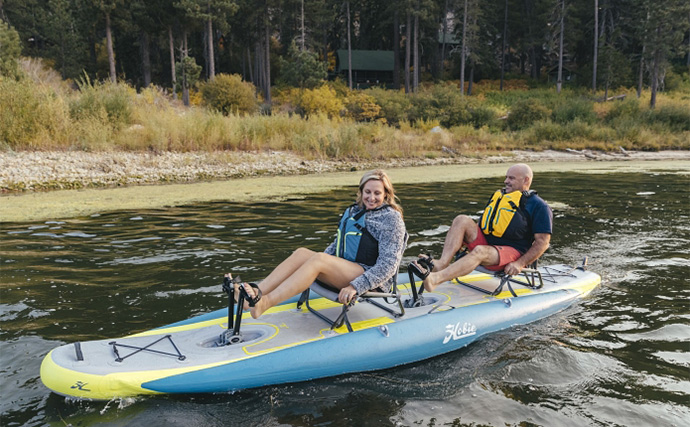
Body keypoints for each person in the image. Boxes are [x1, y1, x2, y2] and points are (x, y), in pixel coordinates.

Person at [232, 169, 407, 319]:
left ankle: (265, 304)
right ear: (361, 191)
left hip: (369, 277)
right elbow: (338, 244)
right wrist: (317, 263)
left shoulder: (391, 219)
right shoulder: (354, 210)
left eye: (377, 193)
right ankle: (256, 294)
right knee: (303, 253)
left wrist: (356, 285)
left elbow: (388, 265)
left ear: (386, 194)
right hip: (347, 269)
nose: (371, 197)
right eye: (367, 192)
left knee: (319, 260)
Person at [418, 163, 552, 292]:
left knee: (480, 251)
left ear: (526, 180)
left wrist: (519, 263)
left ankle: (435, 280)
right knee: (461, 220)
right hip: (489, 246)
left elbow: (543, 243)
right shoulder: (501, 197)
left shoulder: (539, 206)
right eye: (506, 177)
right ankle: (441, 264)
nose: (506, 181)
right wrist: (462, 240)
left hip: (513, 252)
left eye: (511, 178)